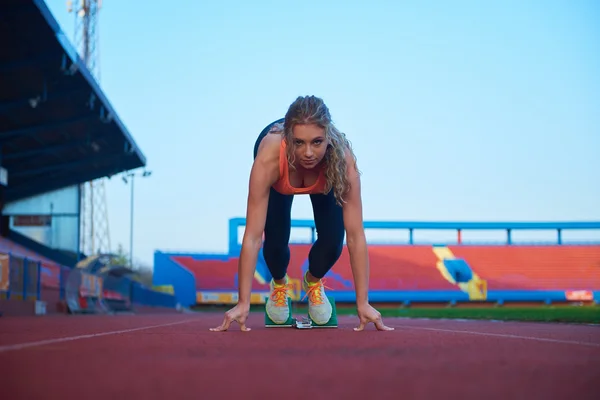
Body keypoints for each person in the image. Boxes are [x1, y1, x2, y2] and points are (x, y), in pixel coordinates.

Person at [210, 95, 393, 332]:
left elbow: (356, 235)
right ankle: (278, 285)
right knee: (275, 241)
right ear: (288, 138)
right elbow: (253, 236)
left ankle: (313, 282)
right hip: (281, 167)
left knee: (332, 242)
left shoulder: (342, 161)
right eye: (299, 143)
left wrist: (363, 302)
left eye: (317, 142)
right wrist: (243, 303)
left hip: (326, 172)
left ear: (328, 137)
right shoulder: (269, 158)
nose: (308, 153)